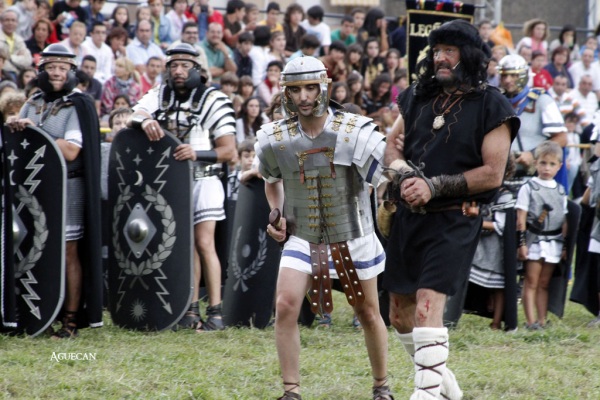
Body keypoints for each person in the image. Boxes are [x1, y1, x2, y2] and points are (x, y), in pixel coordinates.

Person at [383, 20, 519, 399]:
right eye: (437, 50)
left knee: (429, 308)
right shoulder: (417, 96)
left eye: (450, 51)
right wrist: (404, 174)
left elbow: (493, 173)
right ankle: (445, 386)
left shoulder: (493, 105)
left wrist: (433, 186)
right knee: (399, 314)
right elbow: (391, 146)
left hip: (456, 216)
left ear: (469, 55)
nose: (440, 58)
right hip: (409, 215)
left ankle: (424, 395)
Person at [256, 56, 393, 400]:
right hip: (302, 235)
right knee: (286, 304)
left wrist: (396, 193)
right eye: (296, 89)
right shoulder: (276, 138)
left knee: (368, 312)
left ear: (323, 87)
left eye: (309, 87)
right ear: (286, 92)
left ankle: (381, 385)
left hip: (354, 234)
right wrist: (277, 212)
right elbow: (271, 180)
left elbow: (385, 179)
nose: (303, 96)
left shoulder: (354, 131)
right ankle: (291, 391)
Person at [127, 43, 236, 331]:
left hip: (205, 178)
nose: (178, 70)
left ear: (197, 70)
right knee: (184, 246)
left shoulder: (213, 99)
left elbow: (229, 151)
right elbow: (133, 114)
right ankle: (189, 309)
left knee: (203, 243)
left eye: (184, 65)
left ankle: (216, 310)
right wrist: (146, 120)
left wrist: (196, 153)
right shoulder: (160, 95)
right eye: (173, 65)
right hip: (173, 183)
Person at [7, 44, 103, 338]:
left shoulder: (77, 105)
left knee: (68, 251)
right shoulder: (32, 102)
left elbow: (72, 150)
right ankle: (37, 312)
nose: (58, 73)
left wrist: (34, 132)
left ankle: (70, 319)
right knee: (34, 248)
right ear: (42, 71)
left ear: (71, 72)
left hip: (68, 188)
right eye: (52, 68)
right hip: (34, 188)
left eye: (63, 68)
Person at [516, 141, 568, 330]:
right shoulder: (528, 187)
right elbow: (520, 218)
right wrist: (522, 243)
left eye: (552, 164)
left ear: (559, 166)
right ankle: (530, 322)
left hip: (553, 242)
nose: (547, 168)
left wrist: (564, 246)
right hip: (534, 241)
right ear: (535, 163)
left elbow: (563, 221)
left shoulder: (561, 191)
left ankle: (542, 320)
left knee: (544, 283)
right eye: (543, 163)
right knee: (531, 281)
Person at [498, 54, 567, 188]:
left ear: (523, 75)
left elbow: (562, 138)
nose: (507, 80)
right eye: (504, 75)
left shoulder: (542, 100)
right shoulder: (496, 102)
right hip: (501, 176)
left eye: (513, 75)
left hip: (532, 178)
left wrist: (533, 154)